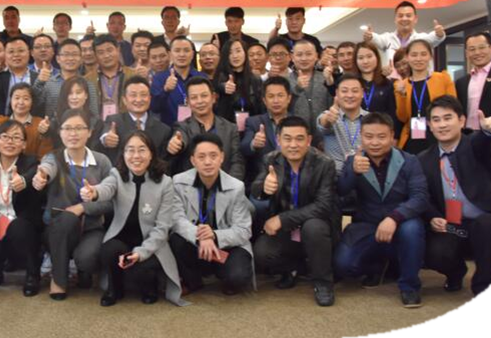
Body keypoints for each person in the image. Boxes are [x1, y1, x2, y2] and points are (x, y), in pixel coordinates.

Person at [419, 96, 491, 310]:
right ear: (430, 126)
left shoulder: (472, 146)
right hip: (453, 226)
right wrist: (433, 216)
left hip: (484, 222)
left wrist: (488, 132)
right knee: (435, 252)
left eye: (448, 118)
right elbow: (423, 196)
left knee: (488, 226)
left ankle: (484, 288)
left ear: (462, 121)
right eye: (436, 120)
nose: (442, 125)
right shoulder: (423, 159)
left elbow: (484, 143)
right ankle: (456, 272)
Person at [73, 131, 184, 306]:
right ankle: (114, 289)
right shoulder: (116, 175)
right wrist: (93, 192)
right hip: (122, 238)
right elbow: (106, 188)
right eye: (130, 150)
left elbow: (162, 228)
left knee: (145, 267)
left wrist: (141, 253)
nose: (136, 156)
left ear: (151, 154)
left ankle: (150, 286)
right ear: (123, 154)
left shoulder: (165, 183)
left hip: (150, 241)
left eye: (142, 150)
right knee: (109, 250)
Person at [335, 112, 429, 308]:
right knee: (343, 265)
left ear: (392, 136)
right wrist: (352, 172)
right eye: (369, 137)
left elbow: (420, 198)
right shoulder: (354, 161)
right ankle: (378, 265)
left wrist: (394, 218)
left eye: (381, 136)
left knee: (412, 228)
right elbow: (340, 192)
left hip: (400, 222)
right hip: (366, 224)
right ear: (361, 136)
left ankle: (409, 286)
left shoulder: (409, 160)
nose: (375, 142)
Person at [252, 116, 338, 306]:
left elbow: (323, 206)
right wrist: (264, 188)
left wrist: (282, 219)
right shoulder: (271, 159)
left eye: (299, 139)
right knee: (262, 253)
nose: (293, 145)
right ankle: (296, 267)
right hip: (288, 231)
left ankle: (323, 283)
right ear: (278, 140)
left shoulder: (325, 164)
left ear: (309, 140)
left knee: (313, 227)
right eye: (287, 139)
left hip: (316, 227)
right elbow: (256, 188)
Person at [32, 109, 113, 300]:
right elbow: (47, 169)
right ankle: (59, 279)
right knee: (67, 219)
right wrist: (41, 177)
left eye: (79, 128)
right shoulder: (53, 157)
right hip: (58, 229)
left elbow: (111, 201)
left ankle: (81, 268)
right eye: (67, 128)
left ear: (89, 131)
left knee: (87, 259)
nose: (73, 133)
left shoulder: (101, 161)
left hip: (91, 228)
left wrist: (82, 207)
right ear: (60, 132)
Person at [169, 133, 254, 295]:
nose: (208, 162)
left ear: (222, 157)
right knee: (176, 239)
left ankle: (223, 275)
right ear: (193, 160)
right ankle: (193, 281)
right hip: (194, 243)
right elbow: (176, 219)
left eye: (213, 156)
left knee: (237, 278)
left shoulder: (236, 187)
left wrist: (214, 235)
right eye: (201, 157)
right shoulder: (179, 182)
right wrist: (201, 236)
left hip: (226, 245)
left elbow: (243, 230)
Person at [455, 32, 491, 223]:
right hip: (470, 143)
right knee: (473, 190)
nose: (477, 52)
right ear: (466, 53)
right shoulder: (461, 81)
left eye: (481, 47)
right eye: (472, 49)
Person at [0, 120, 43, 296]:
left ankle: (32, 274)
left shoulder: (31, 163)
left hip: (22, 223)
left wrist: (24, 182)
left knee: (19, 228)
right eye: (5, 137)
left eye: (16, 138)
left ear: (24, 144)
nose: (10, 142)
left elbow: (35, 176)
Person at [166, 77, 245, 180]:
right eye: (194, 97)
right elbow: (180, 138)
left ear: (213, 98)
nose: (200, 101)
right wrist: (176, 144)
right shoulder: (182, 127)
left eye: (204, 96)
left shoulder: (230, 128)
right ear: (188, 102)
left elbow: (237, 162)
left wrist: (229, 186)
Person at [395, 39, 457, 154]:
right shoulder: (401, 85)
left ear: (430, 56)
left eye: (423, 54)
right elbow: (402, 117)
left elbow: (454, 110)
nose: (419, 59)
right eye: (414, 55)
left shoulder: (443, 79)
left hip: (440, 136)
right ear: (407, 57)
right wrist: (401, 95)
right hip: (412, 138)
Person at [98, 76, 172, 164]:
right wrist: (106, 139)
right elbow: (105, 134)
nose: (138, 99)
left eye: (143, 95)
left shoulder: (163, 130)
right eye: (133, 95)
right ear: (124, 100)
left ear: (150, 98)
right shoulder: (113, 121)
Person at [240, 76, 293, 189]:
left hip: (292, 182)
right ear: (264, 100)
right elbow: (244, 147)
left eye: (280, 95)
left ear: (289, 98)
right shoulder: (254, 122)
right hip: (262, 182)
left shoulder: (297, 123)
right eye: (271, 96)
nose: (276, 101)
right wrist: (254, 143)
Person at [0, 83, 53, 160]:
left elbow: (45, 156)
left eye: (26, 99)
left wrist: (46, 132)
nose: (21, 102)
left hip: (32, 166)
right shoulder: (1, 121)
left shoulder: (40, 124)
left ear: (32, 102)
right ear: (10, 101)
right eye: (17, 98)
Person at [364, 0, 446, 66]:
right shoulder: (387, 38)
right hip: (393, 80)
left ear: (415, 19)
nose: (404, 18)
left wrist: (439, 34)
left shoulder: (422, 39)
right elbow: (376, 38)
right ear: (395, 19)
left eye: (408, 15)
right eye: (400, 16)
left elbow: (435, 37)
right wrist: (370, 36)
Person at [33, 39, 99, 118]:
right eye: (66, 54)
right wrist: (39, 82)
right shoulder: (49, 83)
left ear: (81, 59)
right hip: (53, 125)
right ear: (58, 59)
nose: (70, 58)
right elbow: (34, 105)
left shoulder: (88, 84)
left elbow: (94, 115)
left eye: (74, 54)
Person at [0, 36, 38, 117]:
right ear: (5, 55)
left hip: (33, 122)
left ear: (29, 52)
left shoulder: (38, 78)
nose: (16, 55)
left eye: (21, 51)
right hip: (4, 122)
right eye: (11, 51)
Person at [317, 75, 368, 174]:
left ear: (362, 93)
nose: (350, 95)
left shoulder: (371, 119)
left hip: (364, 175)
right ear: (337, 93)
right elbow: (323, 124)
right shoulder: (331, 115)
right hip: (335, 175)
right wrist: (328, 119)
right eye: (344, 91)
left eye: (355, 91)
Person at [150, 36, 205, 126]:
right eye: (177, 50)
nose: (182, 54)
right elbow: (154, 108)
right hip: (169, 130)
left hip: (198, 129)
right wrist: (165, 90)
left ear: (192, 54)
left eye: (186, 50)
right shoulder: (159, 78)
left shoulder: (202, 77)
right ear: (170, 54)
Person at [212, 39, 263, 129]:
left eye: (238, 51)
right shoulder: (220, 77)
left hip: (251, 128)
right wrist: (223, 88)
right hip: (226, 127)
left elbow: (259, 107)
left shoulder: (255, 79)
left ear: (245, 53)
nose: (235, 56)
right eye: (230, 53)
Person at [289, 40, 333, 143]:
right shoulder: (285, 80)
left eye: (308, 54)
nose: (304, 58)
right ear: (292, 57)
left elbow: (332, 106)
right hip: (295, 138)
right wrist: (297, 88)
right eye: (299, 55)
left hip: (324, 138)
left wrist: (330, 84)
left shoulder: (325, 77)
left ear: (316, 56)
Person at [85, 34, 136, 119]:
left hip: (127, 124)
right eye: (101, 52)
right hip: (98, 124)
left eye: (109, 50)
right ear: (95, 55)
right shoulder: (88, 79)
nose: (106, 55)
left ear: (118, 49)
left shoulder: (133, 75)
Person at [50, 76, 105, 152]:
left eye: (78, 93)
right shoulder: (56, 120)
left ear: (86, 95)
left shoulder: (96, 122)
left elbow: (95, 149)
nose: (74, 97)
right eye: (70, 93)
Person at [355, 42, 398, 136]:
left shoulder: (386, 83)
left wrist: (395, 137)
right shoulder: (353, 84)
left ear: (377, 57)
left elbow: (393, 114)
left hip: (381, 134)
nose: (365, 61)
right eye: (360, 58)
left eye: (369, 56)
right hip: (356, 134)